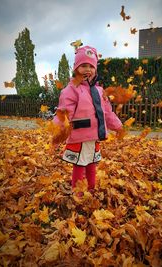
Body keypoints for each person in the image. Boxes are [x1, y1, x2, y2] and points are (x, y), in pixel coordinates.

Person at [52, 45, 123, 193]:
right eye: (83, 65)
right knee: (79, 165)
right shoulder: (71, 89)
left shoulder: (99, 91)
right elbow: (63, 111)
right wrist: (56, 128)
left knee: (91, 164)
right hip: (80, 136)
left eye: (91, 66)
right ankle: (77, 193)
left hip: (95, 136)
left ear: (95, 70)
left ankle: (91, 189)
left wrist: (118, 126)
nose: (87, 69)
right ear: (76, 68)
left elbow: (107, 112)